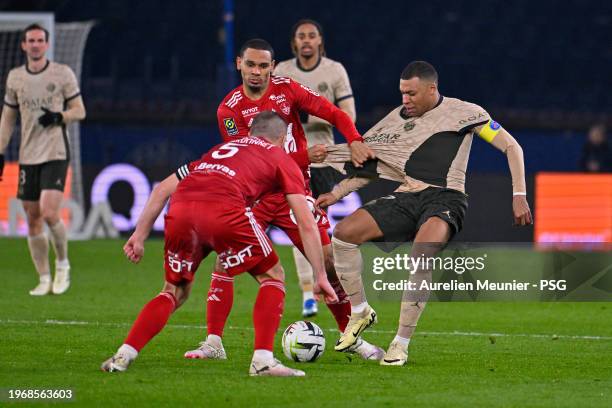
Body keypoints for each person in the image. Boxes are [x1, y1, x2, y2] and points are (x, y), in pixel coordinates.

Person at [316, 61, 533, 366]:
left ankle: (400, 343)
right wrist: (336, 194)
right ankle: (361, 310)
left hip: (446, 197)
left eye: (412, 93)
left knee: (421, 253)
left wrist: (519, 195)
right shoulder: (394, 120)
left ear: (432, 89)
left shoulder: (465, 113)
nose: (405, 99)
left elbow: (512, 148)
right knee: (343, 235)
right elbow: (371, 167)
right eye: (402, 93)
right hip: (407, 195)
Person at [186, 38, 383, 362]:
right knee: (225, 261)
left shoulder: (287, 89)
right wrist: (304, 155)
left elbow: (333, 113)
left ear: (272, 67)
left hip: (293, 192)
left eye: (263, 65)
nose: (256, 71)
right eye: (251, 64)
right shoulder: (229, 109)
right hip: (255, 197)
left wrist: (356, 140)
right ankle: (213, 342)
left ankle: (353, 339)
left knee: (330, 264)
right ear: (239, 64)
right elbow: (250, 159)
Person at [102, 111, 337, 377]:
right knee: (273, 276)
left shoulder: (219, 150)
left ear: (250, 133)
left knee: (173, 291)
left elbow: (160, 190)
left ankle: (124, 354)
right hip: (224, 209)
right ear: (282, 139)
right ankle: (262, 361)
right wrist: (319, 275)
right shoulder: (280, 157)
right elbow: (305, 222)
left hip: (182, 209)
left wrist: (139, 235)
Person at [274, 19, 356, 317]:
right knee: (302, 222)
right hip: (290, 159)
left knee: (315, 225)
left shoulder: (334, 71)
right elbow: (271, 117)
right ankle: (310, 292)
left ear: (320, 41)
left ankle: (327, 286)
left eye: (312, 36)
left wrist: (306, 112)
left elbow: (348, 114)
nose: (307, 40)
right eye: (301, 36)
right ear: (294, 43)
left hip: (326, 159)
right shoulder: (281, 71)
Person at [0, 24, 86, 296]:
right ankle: (43, 277)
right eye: (31, 41)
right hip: (28, 154)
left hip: (56, 151)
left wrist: (60, 116)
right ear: (24, 46)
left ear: (46, 45)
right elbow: (8, 118)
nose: (35, 45)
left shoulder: (62, 73)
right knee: (33, 217)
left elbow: (80, 110)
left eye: (40, 40)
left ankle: (62, 264)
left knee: (50, 213)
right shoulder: (15, 78)